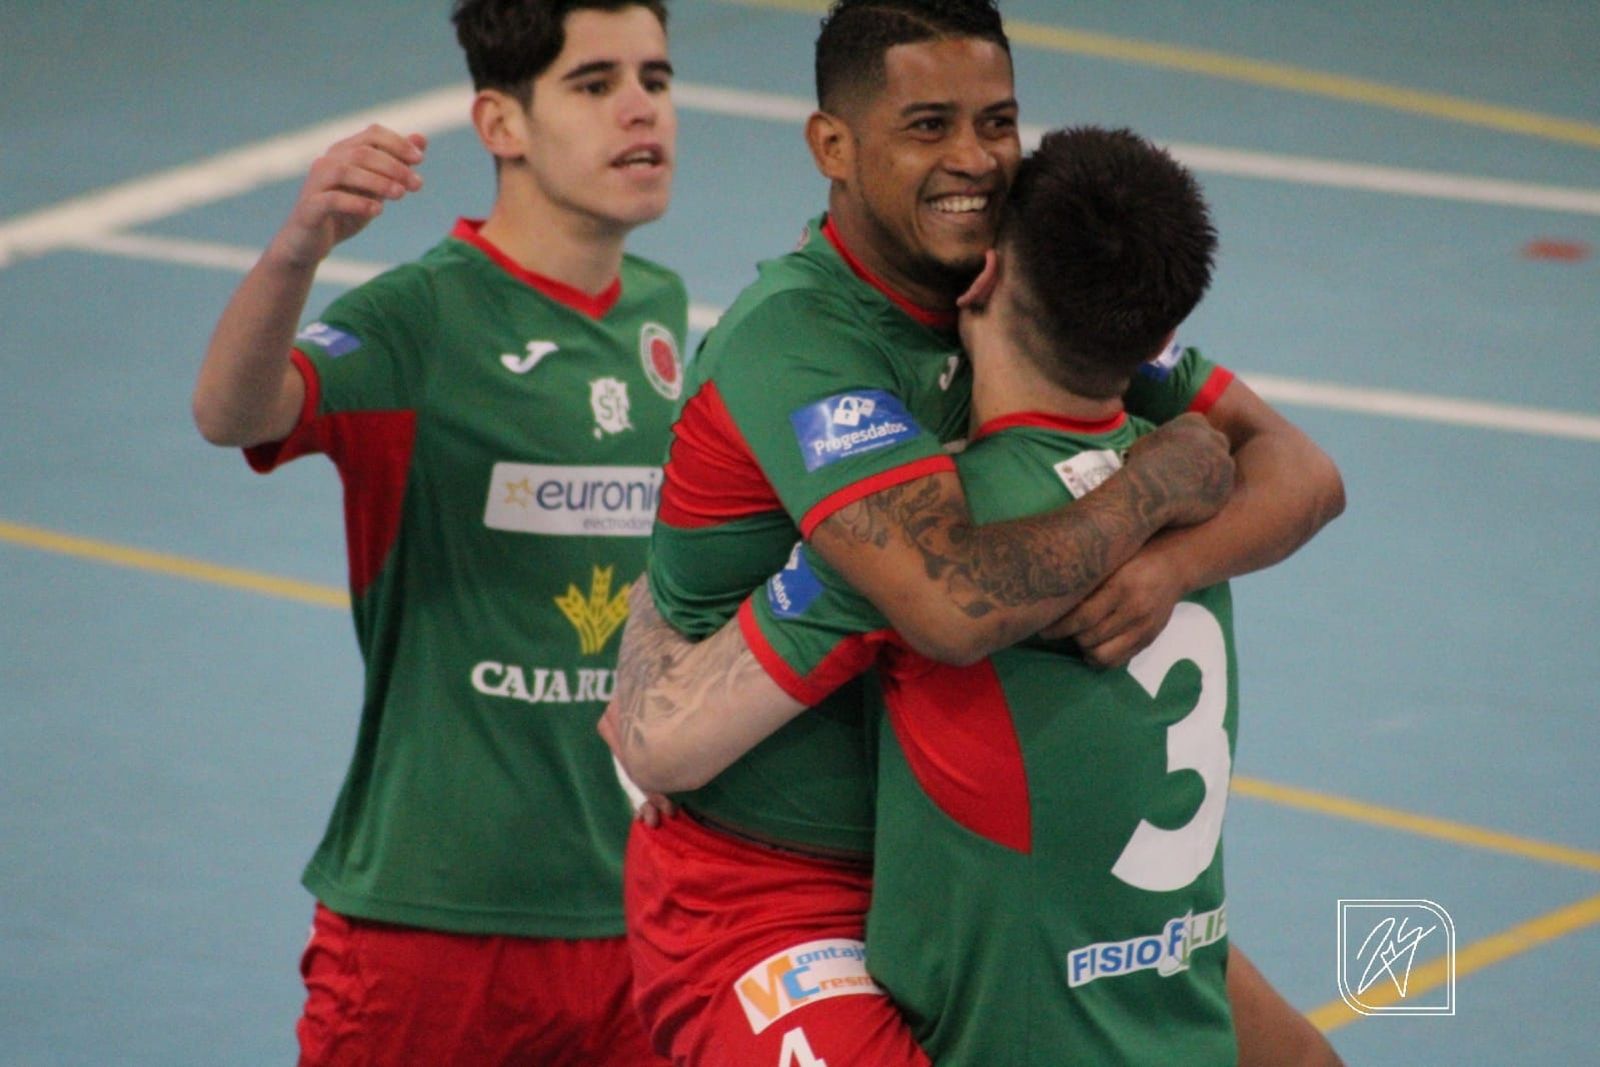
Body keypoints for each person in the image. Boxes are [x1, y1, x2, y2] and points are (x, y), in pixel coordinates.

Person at [621, 2, 1344, 1066]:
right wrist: (1149, 492)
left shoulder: (1019, 290)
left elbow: (1303, 470)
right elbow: (951, 603)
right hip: (776, 889)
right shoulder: (803, 338)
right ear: (833, 145)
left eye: (996, 121)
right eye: (927, 126)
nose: (975, 159)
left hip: (987, 880)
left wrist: (1176, 564)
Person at [191, 2, 682, 1064]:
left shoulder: (662, 311)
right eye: (594, 85)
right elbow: (234, 411)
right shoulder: (422, 318)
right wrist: (299, 246)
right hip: (432, 927)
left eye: (655, 76)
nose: (641, 107)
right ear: (500, 123)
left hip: (631, 921)